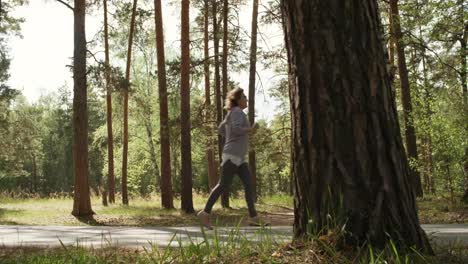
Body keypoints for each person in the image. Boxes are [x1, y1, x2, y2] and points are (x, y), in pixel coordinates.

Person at [197, 88, 269, 229]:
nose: (246, 99)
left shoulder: (232, 113)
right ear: (237, 100)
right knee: (223, 185)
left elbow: (221, 129)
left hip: (239, 157)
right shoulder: (237, 112)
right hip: (232, 155)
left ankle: (253, 217)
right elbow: (235, 129)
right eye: (244, 97)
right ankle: (204, 213)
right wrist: (250, 130)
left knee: (248, 185)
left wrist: (231, 136)